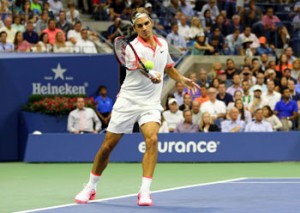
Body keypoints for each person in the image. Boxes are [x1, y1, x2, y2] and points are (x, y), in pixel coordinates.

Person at [74, 7, 199, 206]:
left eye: (146, 24)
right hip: (128, 101)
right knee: (107, 147)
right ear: (135, 28)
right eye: (139, 26)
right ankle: (90, 186)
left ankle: (144, 191)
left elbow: (169, 68)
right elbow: (141, 69)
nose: (144, 28)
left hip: (150, 103)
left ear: (152, 23)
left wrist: (182, 79)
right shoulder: (131, 48)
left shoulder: (163, 44)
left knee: (152, 139)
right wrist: (151, 75)